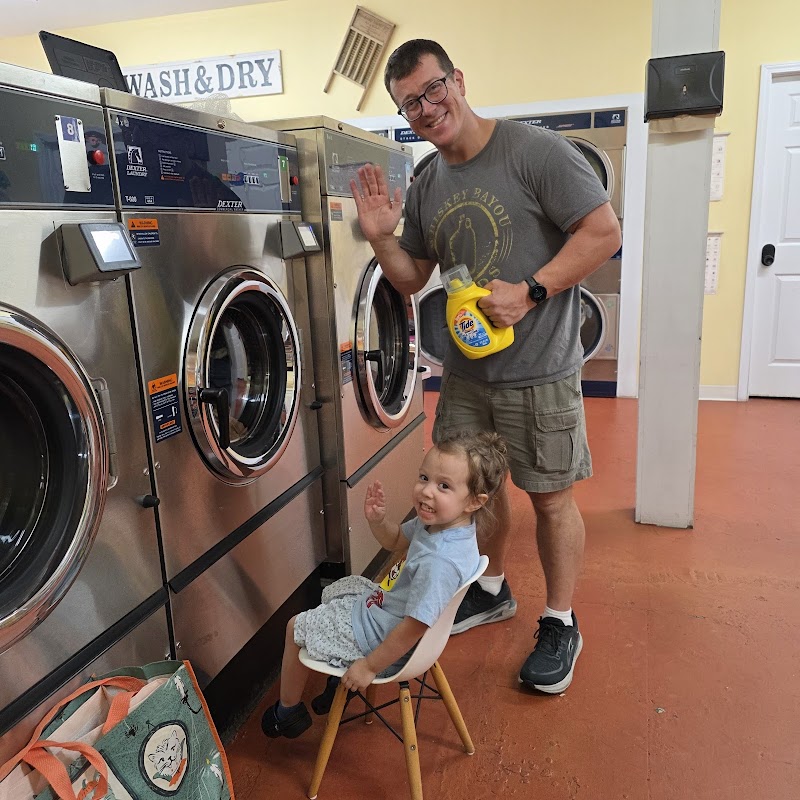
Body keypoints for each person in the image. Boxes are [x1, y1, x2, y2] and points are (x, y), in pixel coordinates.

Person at [349, 39, 622, 694]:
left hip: (541, 368)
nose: (426, 108)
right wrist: (385, 235)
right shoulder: (427, 183)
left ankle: (560, 621)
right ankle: (492, 589)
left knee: (551, 498)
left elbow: (602, 232)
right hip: (470, 375)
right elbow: (412, 278)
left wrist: (531, 291)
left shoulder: (534, 153)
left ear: (457, 79)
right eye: (410, 103)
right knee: (475, 496)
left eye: (432, 89)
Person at [261, 430, 509, 739]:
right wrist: (378, 521)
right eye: (424, 477)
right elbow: (395, 540)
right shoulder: (445, 523)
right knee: (338, 589)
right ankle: (338, 676)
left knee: (294, 627)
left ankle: (287, 713)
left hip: (382, 642)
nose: (427, 492)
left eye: (443, 485)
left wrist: (368, 667)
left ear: (475, 501)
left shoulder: (439, 562)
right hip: (386, 611)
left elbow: (414, 627)